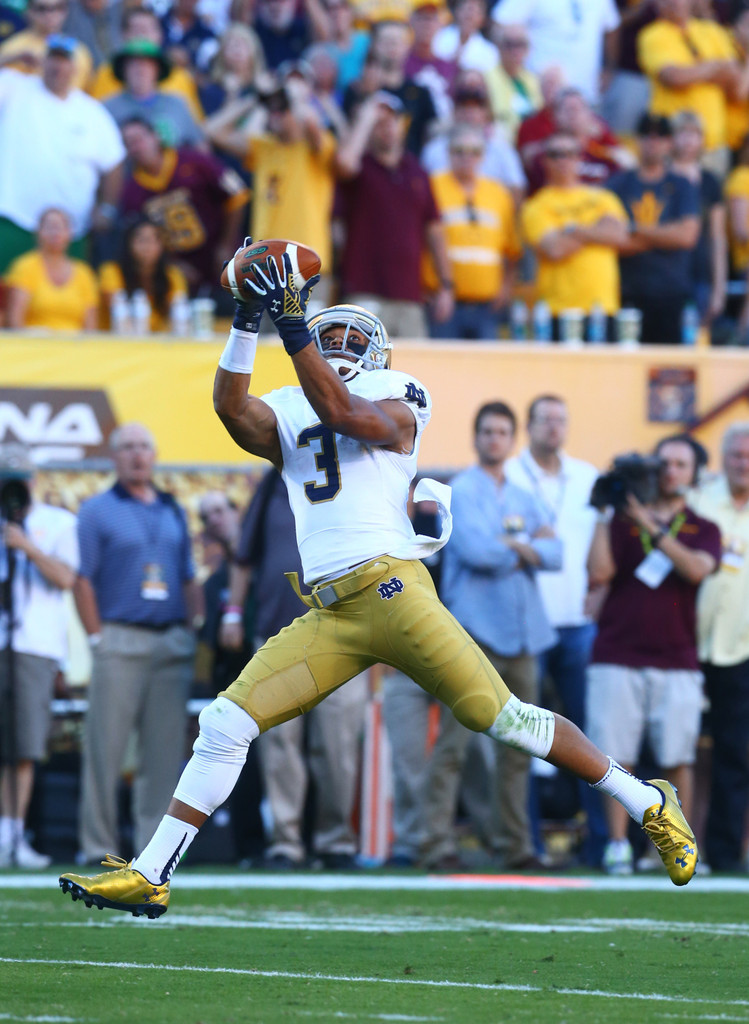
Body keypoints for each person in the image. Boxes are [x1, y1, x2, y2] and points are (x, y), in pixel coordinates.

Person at [60, 246, 701, 919]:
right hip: (331, 610)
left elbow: (346, 416)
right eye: (324, 332)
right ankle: (152, 871)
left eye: (347, 336)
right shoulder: (289, 402)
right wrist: (247, 321)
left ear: (376, 351)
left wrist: (294, 330)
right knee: (224, 722)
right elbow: (230, 408)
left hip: (393, 590)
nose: (333, 343)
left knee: (500, 717)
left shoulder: (395, 391)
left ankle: (647, 800)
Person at [585, 434, 721, 875]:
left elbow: (697, 569)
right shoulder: (622, 522)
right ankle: (618, 846)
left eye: (682, 464)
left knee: (678, 756)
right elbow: (600, 573)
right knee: (614, 758)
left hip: (677, 657)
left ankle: (680, 845)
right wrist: (605, 513)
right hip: (617, 652)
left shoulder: (704, 527)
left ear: (694, 474)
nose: (671, 472)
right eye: (664, 463)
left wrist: (648, 523)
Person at [221, 468, 366, 870]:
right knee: (280, 746)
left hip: (345, 635)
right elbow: (244, 556)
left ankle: (336, 841)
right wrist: (232, 613)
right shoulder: (271, 483)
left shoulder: (359, 480)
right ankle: (286, 842)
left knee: (337, 745)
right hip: (277, 634)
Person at [73, 422, 202, 865]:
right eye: (127, 447)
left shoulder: (172, 509)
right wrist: (96, 638)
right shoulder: (95, 510)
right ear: (114, 457)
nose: (136, 455)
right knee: (104, 750)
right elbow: (82, 579)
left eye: (143, 447)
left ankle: (152, 852)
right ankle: (97, 847)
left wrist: (193, 627)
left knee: (164, 757)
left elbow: (188, 576)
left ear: (155, 454)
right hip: (120, 638)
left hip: (170, 642)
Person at [441, 401, 561, 870]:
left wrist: (513, 546)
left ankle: (516, 847)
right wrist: (524, 547)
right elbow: (475, 552)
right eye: (487, 431)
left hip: (525, 635)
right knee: (456, 746)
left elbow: (557, 554)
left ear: (512, 440)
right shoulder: (460, 490)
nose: (494, 439)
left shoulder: (524, 494)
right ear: (475, 437)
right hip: (475, 635)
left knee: (522, 748)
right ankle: (435, 844)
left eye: (502, 432)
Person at [505, 395, 606, 866]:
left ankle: (603, 843)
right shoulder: (507, 477)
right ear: (529, 426)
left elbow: (598, 550)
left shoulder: (587, 478)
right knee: (524, 735)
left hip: (578, 624)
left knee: (590, 736)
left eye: (560, 419)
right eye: (544, 419)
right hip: (526, 626)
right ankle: (529, 846)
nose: (553, 427)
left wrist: (599, 594)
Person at [0, 444, 79, 868]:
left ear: (32, 482)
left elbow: (66, 577)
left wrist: (26, 546)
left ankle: (10, 836)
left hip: (32, 645)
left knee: (25, 745)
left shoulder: (57, 522)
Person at [0, 35, 125, 275]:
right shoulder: (13, 86)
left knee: (67, 306)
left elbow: (114, 163)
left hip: (70, 231)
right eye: (53, 59)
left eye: (65, 60)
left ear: (75, 67)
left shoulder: (92, 111)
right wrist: (10, 58)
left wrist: (107, 209)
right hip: (13, 219)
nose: (58, 67)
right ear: (43, 62)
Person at [335, 89, 454, 338]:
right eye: (379, 123)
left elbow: (434, 230)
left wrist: (446, 284)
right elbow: (344, 163)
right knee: (361, 371)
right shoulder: (360, 167)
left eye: (393, 121)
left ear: (404, 124)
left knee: (414, 371)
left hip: (410, 295)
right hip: (363, 291)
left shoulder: (417, 171)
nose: (387, 128)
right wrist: (366, 119)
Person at [690, 422, 749, 872]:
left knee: (734, 752)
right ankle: (654, 847)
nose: (743, 463)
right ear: (723, 458)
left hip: (740, 650)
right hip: (687, 643)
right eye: (736, 455)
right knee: (671, 749)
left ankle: (726, 855)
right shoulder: (699, 501)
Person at [119, 116, 249, 297]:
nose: (136, 147)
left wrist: (226, 243)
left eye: (139, 139)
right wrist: (169, 265)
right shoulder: (132, 191)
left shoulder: (195, 161)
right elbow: (138, 240)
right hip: (180, 273)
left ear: (155, 136)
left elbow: (238, 194)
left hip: (222, 256)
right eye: (129, 143)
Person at [520, 132, 630, 341]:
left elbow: (619, 236)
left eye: (570, 154)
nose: (563, 160)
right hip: (557, 309)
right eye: (555, 154)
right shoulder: (536, 205)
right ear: (545, 160)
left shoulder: (603, 197)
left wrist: (572, 230)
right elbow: (554, 249)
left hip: (602, 307)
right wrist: (597, 229)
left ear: (580, 158)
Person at [608, 112, 700, 344]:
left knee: (670, 371)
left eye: (660, 136)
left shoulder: (682, 185)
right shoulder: (617, 184)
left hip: (671, 293)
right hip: (627, 291)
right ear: (637, 141)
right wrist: (666, 235)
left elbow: (687, 236)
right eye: (647, 136)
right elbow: (613, 239)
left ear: (669, 143)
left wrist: (634, 229)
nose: (653, 142)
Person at [425, 123, 521, 340]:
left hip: (488, 307)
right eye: (459, 151)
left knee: (487, 370)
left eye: (474, 152)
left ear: (484, 156)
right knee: (444, 369)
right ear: (448, 153)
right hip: (444, 302)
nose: (467, 157)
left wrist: (506, 289)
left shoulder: (499, 193)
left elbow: (512, 249)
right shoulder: (431, 186)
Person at [636, 0, 738, 176]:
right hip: (672, 146)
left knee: (711, 202)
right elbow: (674, 77)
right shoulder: (652, 35)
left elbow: (736, 81)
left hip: (714, 145)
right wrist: (714, 67)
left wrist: (694, 72)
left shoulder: (713, 31)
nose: (676, 3)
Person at [420, 74, 526, 204]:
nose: (469, 112)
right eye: (464, 106)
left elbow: (517, 189)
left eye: (477, 107)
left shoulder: (501, 150)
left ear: (486, 113)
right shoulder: (434, 149)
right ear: (454, 111)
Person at [88, 5, 205, 124]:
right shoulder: (106, 73)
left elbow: (194, 127)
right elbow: (95, 121)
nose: (142, 36)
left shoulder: (181, 77)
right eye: (136, 29)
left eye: (148, 29)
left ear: (160, 35)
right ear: (124, 36)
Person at [491, 0, 620, 106]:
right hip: (539, 98)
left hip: (586, 95)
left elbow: (611, 25)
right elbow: (501, 23)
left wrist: (608, 68)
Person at [670, 110, 727, 329]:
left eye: (694, 133)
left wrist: (719, 290)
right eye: (682, 132)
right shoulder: (659, 175)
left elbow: (718, 238)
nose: (687, 140)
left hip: (699, 274)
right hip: (665, 273)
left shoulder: (710, 181)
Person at [4, 207, 99, 331]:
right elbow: (15, 319)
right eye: (50, 227)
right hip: (33, 345)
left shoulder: (84, 273)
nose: (56, 233)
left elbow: (91, 327)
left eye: (61, 227)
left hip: (75, 347)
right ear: (38, 232)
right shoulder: (25, 267)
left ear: (70, 233)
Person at [104, 38, 204, 150]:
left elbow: (200, 147)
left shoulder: (177, 104)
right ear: (123, 70)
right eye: (133, 64)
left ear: (157, 69)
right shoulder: (107, 108)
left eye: (147, 64)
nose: (140, 70)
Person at [98, 215, 189, 332]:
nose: (148, 247)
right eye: (142, 240)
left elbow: (179, 313)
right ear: (129, 243)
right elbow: (118, 311)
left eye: (154, 240)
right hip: (120, 341)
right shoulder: (111, 271)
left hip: (160, 342)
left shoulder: (172, 275)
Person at [0, 0, 93, 89]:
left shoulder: (79, 51)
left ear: (66, 11)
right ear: (29, 11)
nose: (50, 14)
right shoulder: (12, 47)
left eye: (57, 7)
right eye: (42, 8)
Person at [484, 22, 541, 144]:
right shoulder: (485, 80)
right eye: (509, 44)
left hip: (529, 143)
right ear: (498, 47)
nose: (515, 50)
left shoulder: (533, 80)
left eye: (521, 44)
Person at [432, 0, 499, 73]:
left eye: (476, 10)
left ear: (483, 19)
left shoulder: (489, 52)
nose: (470, 13)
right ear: (456, 11)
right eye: (466, 7)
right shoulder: (438, 36)